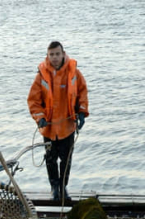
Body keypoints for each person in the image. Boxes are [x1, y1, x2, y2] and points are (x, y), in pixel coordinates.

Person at [27, 41, 89, 202]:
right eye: (51, 54)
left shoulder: (74, 73)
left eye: (57, 54)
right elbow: (33, 100)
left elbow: (82, 92)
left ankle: (63, 187)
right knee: (50, 159)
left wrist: (82, 113)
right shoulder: (41, 75)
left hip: (67, 126)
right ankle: (54, 187)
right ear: (47, 56)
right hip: (48, 128)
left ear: (63, 54)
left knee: (66, 159)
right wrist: (39, 118)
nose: (54, 57)